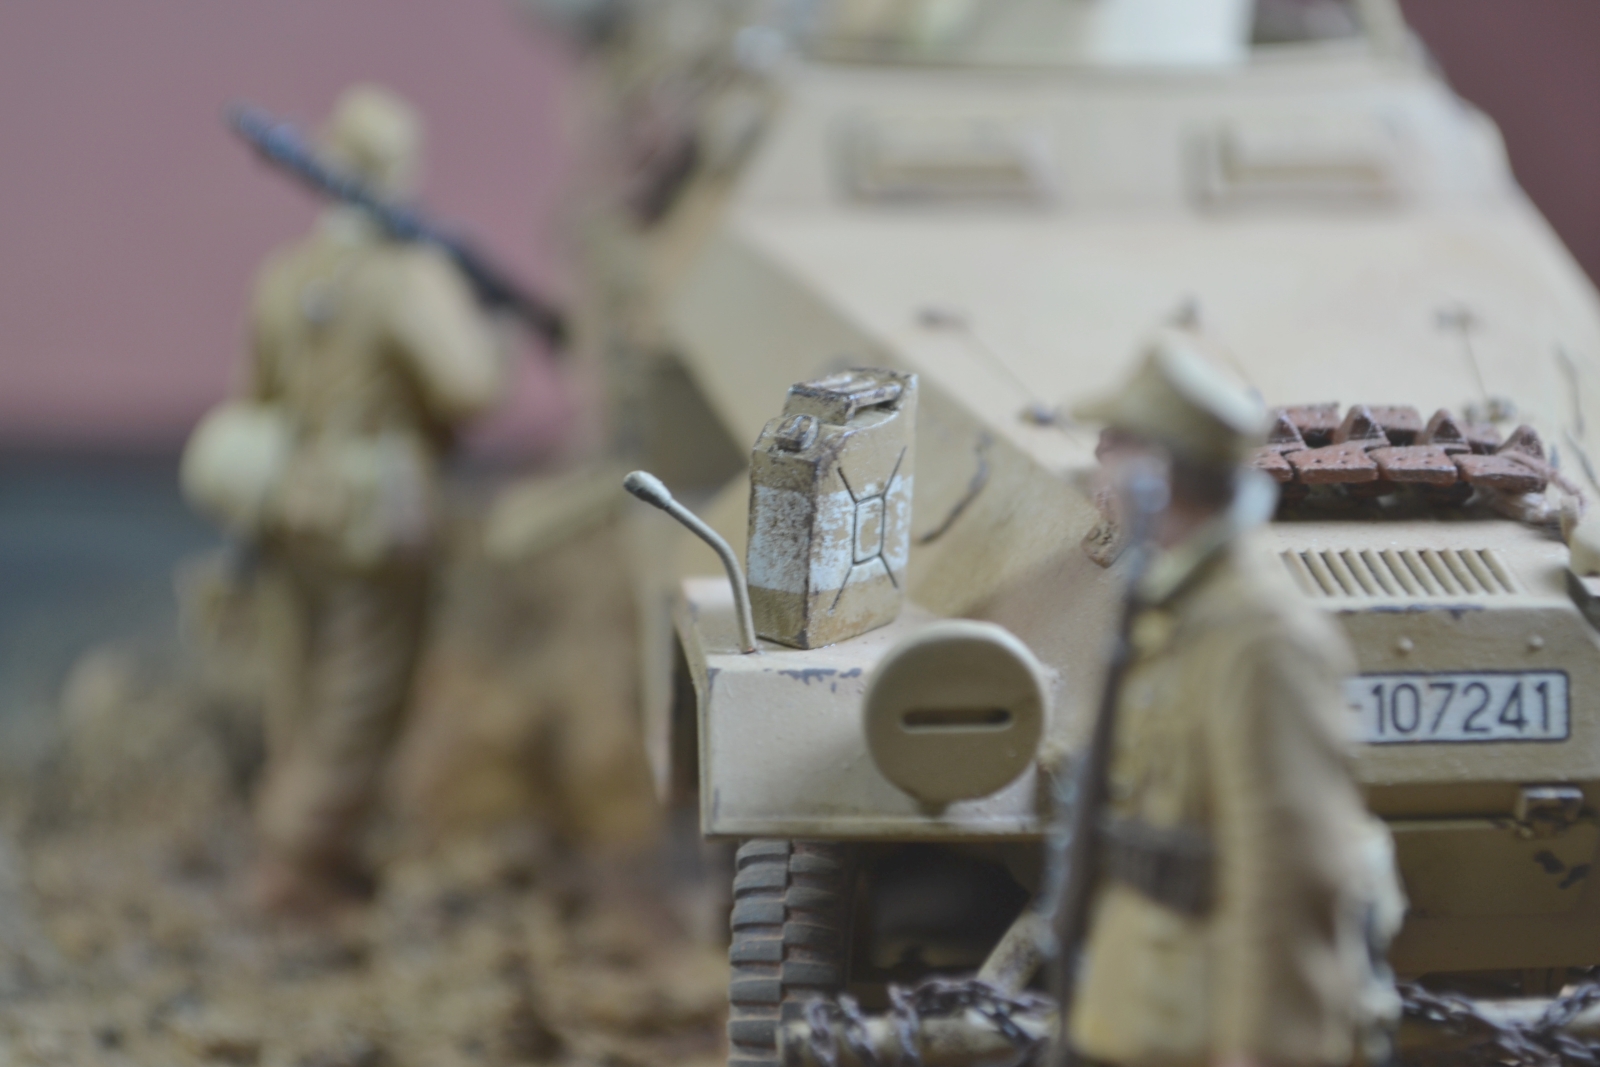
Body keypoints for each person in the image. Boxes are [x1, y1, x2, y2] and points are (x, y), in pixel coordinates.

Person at [187, 85, 506, 915]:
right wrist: (492, 332)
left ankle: (321, 848)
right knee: (361, 698)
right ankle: (295, 860)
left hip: (288, 498)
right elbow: (469, 386)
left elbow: (254, 394)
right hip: (374, 513)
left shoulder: (285, 273)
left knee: (298, 687)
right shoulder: (406, 277)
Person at [1065, 331, 1400, 1067]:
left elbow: (1289, 865)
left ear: (1156, 473)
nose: (1099, 467)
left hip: (1211, 1024)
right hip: (1143, 1005)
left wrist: (1261, 1046)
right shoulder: (1173, 606)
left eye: (1116, 448)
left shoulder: (1261, 637)